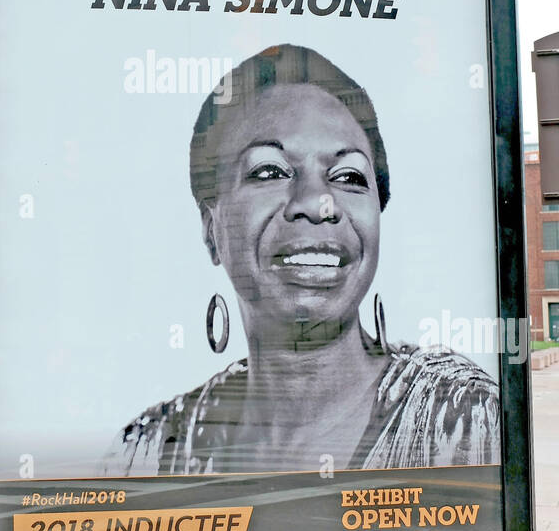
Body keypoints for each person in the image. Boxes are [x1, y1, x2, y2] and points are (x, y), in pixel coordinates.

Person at [105, 43, 500, 475]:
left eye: (348, 176)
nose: (318, 203)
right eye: (270, 171)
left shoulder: (465, 425)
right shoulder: (148, 451)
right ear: (210, 228)